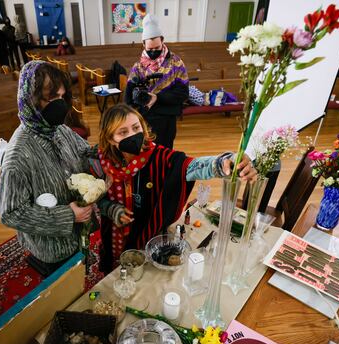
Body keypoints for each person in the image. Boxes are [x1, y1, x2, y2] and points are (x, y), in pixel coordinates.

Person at [0, 61, 121, 281]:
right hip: (51, 246)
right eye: (50, 98)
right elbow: (10, 213)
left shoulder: (58, 129)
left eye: (61, 97)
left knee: (78, 270)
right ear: (30, 100)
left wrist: (111, 150)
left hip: (77, 233)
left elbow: (84, 151)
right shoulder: (17, 156)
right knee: (64, 286)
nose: (60, 105)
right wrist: (68, 215)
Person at [97, 104, 256, 267]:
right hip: (113, 235)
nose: (133, 135)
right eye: (123, 132)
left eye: (136, 127)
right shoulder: (100, 162)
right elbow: (95, 200)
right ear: (111, 139)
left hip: (149, 236)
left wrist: (225, 161)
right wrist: (111, 209)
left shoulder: (161, 158)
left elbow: (191, 166)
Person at [125, 14, 188, 149]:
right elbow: (128, 98)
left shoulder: (176, 62)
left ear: (162, 40)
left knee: (165, 154)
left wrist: (157, 98)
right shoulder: (138, 67)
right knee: (146, 153)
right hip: (144, 119)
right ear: (143, 44)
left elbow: (183, 93)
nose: (153, 52)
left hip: (167, 119)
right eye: (149, 49)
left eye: (157, 48)